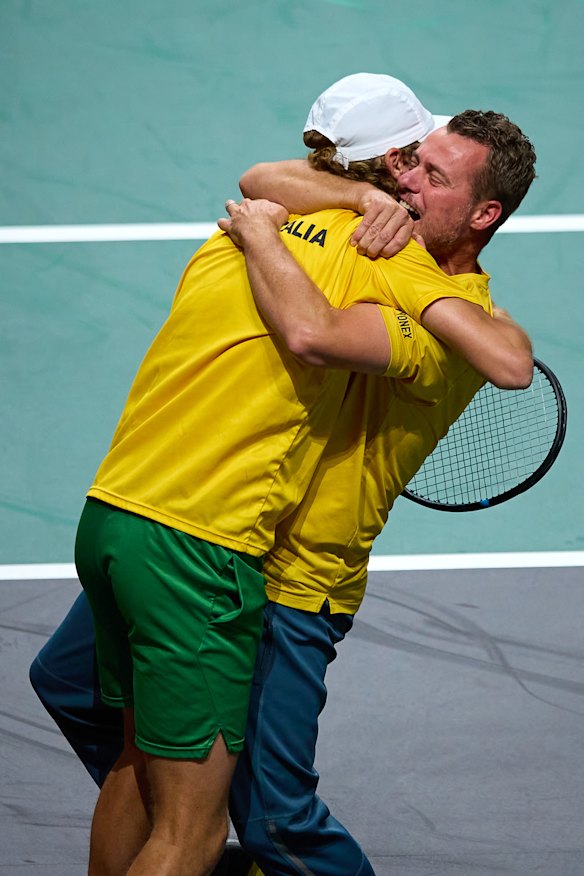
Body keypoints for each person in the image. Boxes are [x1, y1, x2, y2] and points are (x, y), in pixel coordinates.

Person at [29, 74, 535, 875]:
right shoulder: (358, 228)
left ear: (484, 216)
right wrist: (346, 201)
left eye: (433, 177)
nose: (406, 182)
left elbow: (347, 332)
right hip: (221, 542)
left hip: (289, 583)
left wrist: (269, 234)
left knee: (273, 821)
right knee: (75, 689)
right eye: (408, 165)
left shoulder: (440, 310)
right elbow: (268, 178)